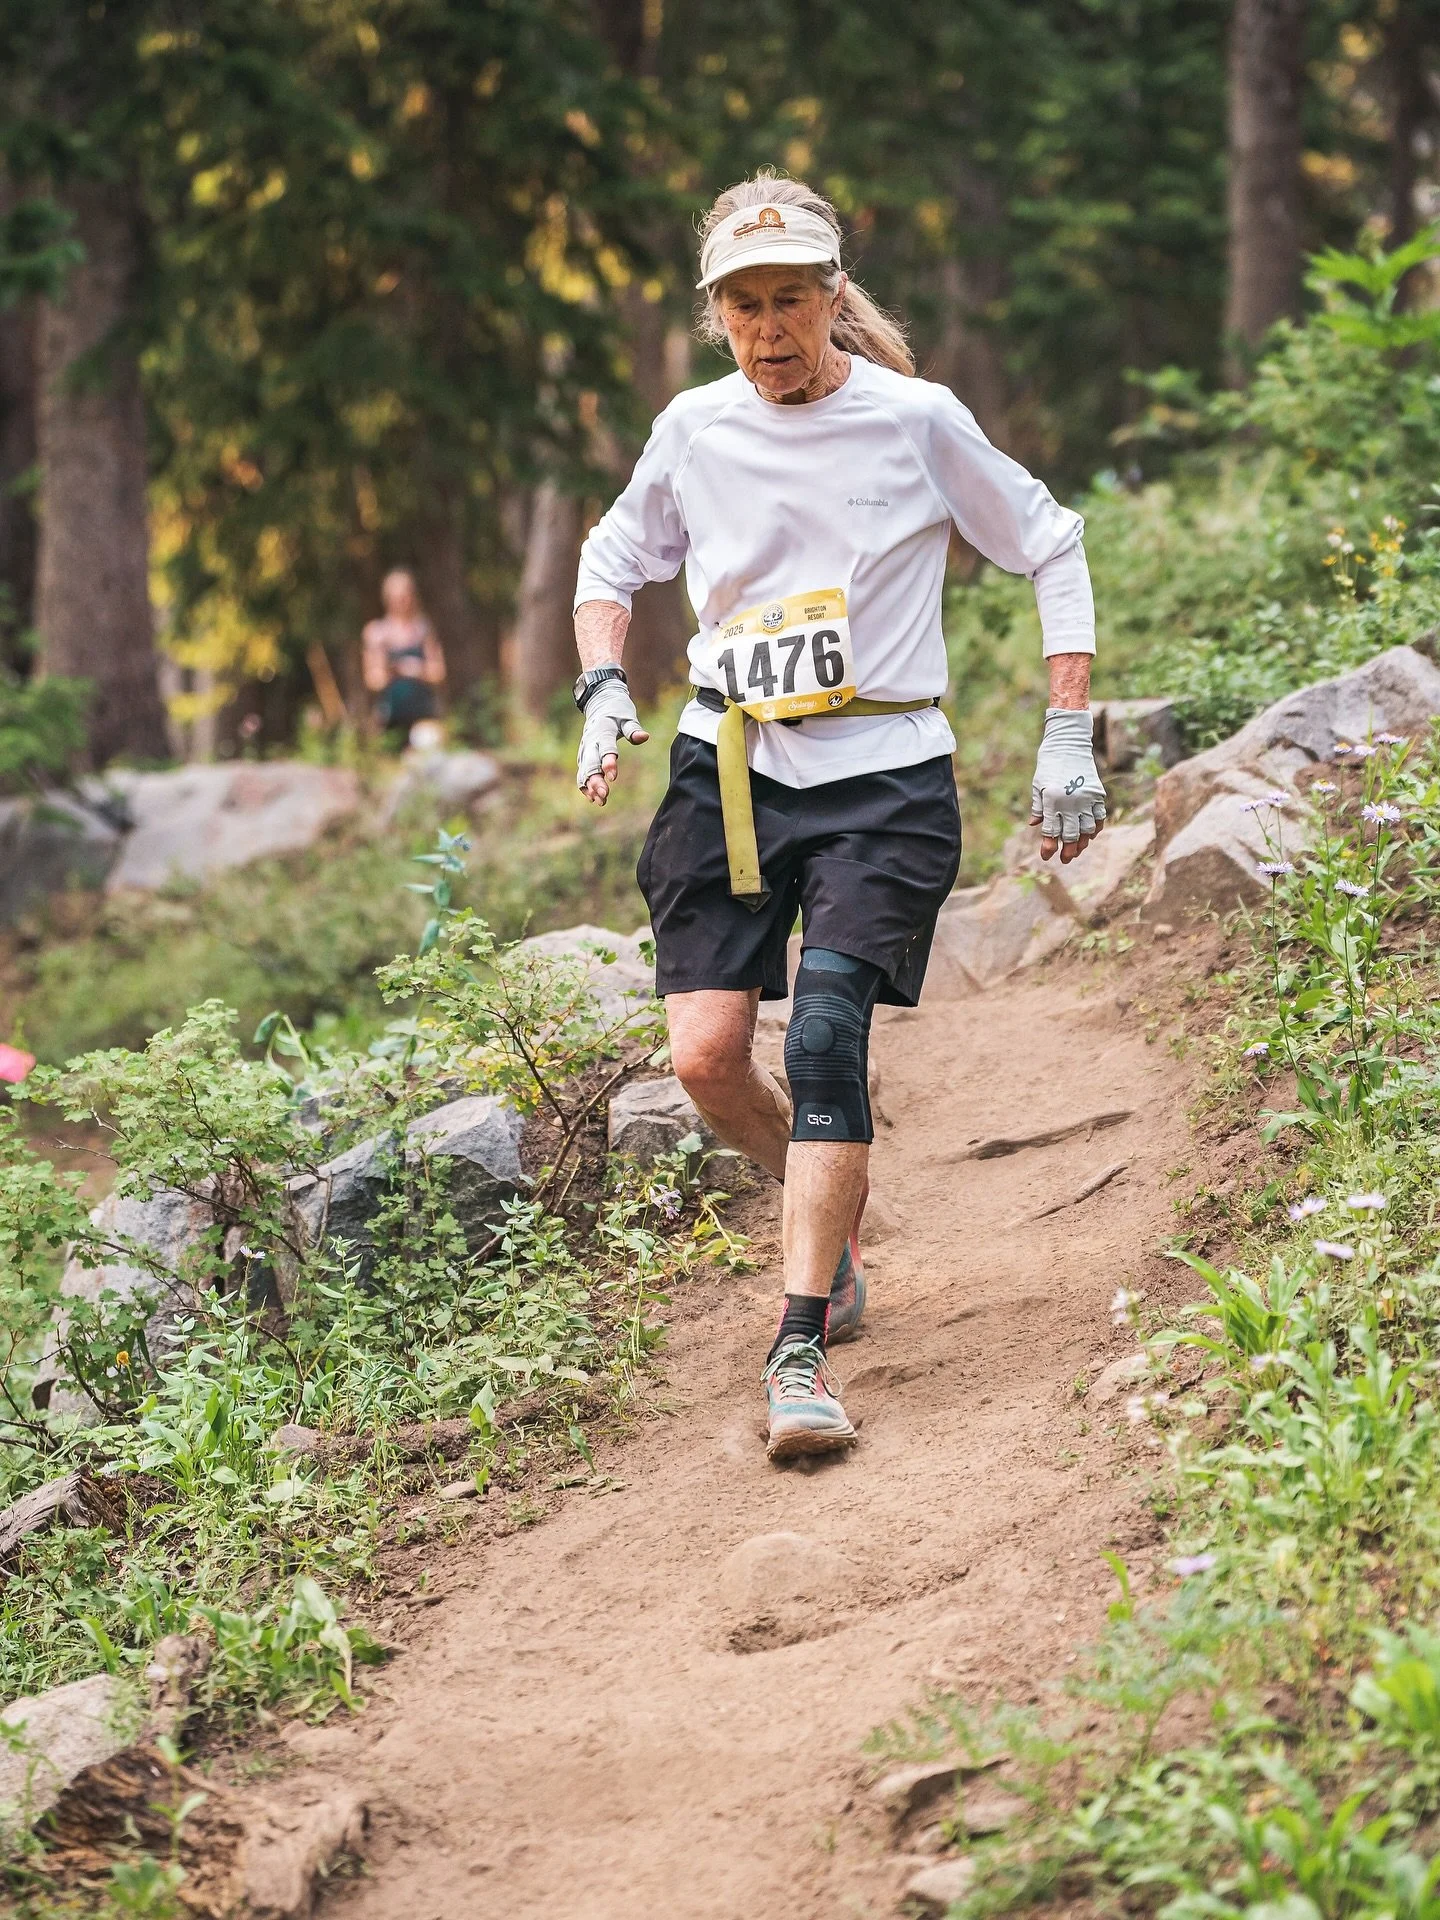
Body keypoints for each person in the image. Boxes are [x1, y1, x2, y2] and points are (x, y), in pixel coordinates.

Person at [571, 174, 1105, 1463]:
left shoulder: (914, 421)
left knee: (821, 1042)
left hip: (887, 776)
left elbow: (1052, 541)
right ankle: (835, 1210)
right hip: (730, 767)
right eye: (745, 305)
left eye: (793, 300)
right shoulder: (693, 429)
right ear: (717, 314)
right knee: (704, 1060)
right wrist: (600, 685)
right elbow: (611, 558)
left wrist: (1071, 730)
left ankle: (799, 1344)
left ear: (832, 298)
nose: (771, 328)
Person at [362, 569, 447, 740]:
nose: (403, 601)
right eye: (398, 597)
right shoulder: (377, 633)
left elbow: (439, 674)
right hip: (389, 717)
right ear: (388, 599)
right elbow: (373, 680)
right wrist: (393, 670)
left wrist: (416, 670)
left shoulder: (424, 630)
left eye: (406, 595)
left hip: (423, 715)